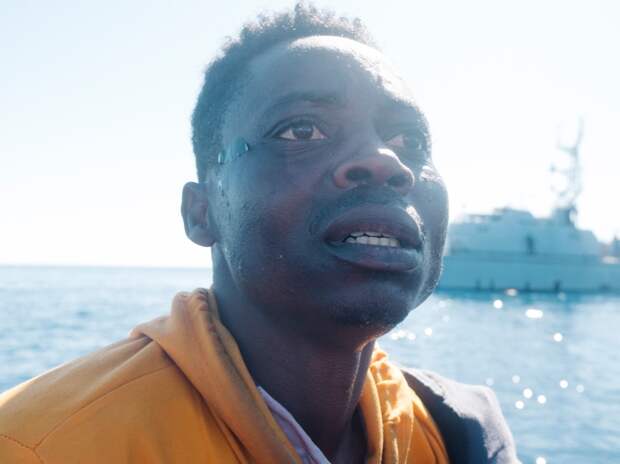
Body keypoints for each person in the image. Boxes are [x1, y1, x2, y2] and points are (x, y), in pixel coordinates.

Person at [0, 4, 519, 463]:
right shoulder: (38, 446)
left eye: (409, 140)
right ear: (201, 213)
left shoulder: (456, 432)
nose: (386, 161)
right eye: (301, 130)